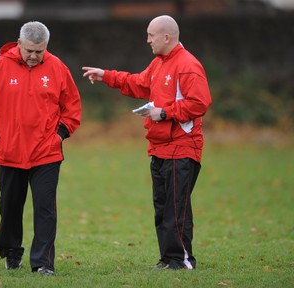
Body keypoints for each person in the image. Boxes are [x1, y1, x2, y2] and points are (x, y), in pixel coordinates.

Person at [82, 15, 212, 270]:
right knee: (162, 209)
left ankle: (181, 260)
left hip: (182, 148)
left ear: (167, 37)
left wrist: (164, 113)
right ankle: (167, 258)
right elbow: (139, 84)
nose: (147, 40)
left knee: (176, 209)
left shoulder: (187, 65)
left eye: (151, 35)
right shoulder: (158, 64)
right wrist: (106, 75)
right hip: (159, 147)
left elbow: (200, 103)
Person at [0, 21, 81, 275]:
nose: (34, 56)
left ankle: (43, 263)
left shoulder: (58, 68)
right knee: (9, 207)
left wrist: (59, 136)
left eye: (40, 51)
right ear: (19, 44)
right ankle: (11, 252)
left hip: (46, 153)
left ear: (46, 47)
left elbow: (72, 108)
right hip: (9, 153)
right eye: (30, 50)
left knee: (45, 210)